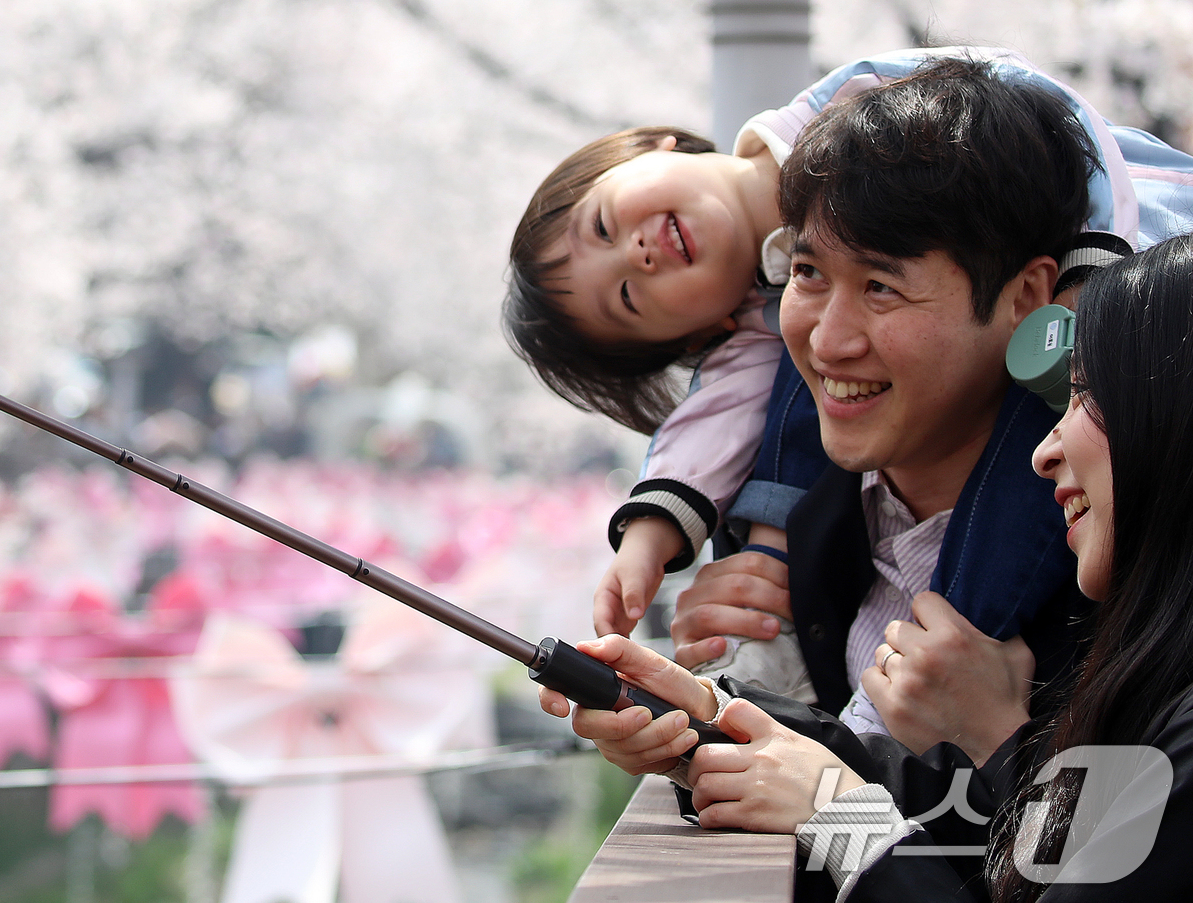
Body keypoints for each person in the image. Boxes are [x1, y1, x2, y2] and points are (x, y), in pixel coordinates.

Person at [508, 49, 1193, 714]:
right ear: (704, 334)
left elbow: (1053, 112)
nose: (639, 254)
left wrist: (986, 742)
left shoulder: (1114, 531)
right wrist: (714, 709)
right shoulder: (815, 475)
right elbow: (710, 424)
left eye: (881, 285)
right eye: (805, 274)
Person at [548, 235, 1193, 901]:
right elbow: (1002, 818)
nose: (1041, 450)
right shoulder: (1153, 675)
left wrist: (840, 813)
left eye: (1085, 395)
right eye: (805, 274)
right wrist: (711, 718)